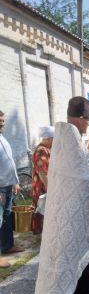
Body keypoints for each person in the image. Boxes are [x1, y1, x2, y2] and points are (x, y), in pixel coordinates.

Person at [35, 97, 89, 294]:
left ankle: (71, 286)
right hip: (77, 209)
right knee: (83, 245)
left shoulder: (62, 137)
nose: (88, 124)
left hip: (66, 205)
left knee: (65, 248)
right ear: (79, 118)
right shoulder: (72, 140)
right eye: (87, 120)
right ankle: (84, 289)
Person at [0, 110, 24, 268]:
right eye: (0, 120)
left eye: (3, 120)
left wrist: (15, 181)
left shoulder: (2, 137)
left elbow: (9, 161)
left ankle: (8, 246)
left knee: (7, 217)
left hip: (9, 184)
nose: (2, 123)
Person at [32, 126, 54, 209]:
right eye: (53, 139)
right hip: (42, 189)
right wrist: (49, 190)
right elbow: (42, 173)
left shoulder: (46, 149)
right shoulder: (42, 151)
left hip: (44, 188)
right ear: (48, 139)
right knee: (42, 215)